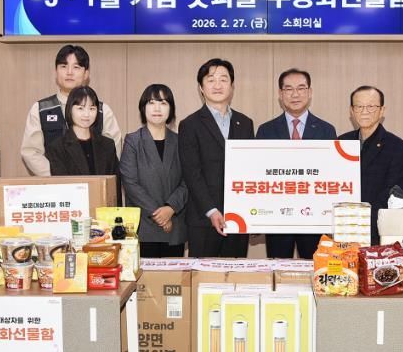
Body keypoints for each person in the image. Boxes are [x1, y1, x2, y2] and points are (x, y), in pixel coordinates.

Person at [256, 68, 337, 259]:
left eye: (301, 88)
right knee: (278, 267)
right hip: (277, 218)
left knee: (314, 267)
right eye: (288, 89)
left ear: (310, 92)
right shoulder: (266, 131)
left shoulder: (326, 131)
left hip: (315, 218)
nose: (295, 94)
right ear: (280, 94)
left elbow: (332, 174)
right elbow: (258, 175)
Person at [178, 58, 254, 258]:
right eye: (211, 80)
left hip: (238, 218)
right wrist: (211, 210)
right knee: (203, 274)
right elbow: (192, 173)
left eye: (223, 79)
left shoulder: (245, 123)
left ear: (232, 86)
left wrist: (252, 211)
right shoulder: (190, 124)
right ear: (201, 88)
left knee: (236, 273)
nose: (217, 85)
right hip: (203, 219)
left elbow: (250, 170)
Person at [21, 44, 122, 176]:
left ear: (86, 74)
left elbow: (113, 153)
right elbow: (31, 152)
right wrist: (60, 178)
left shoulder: (102, 110)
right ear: (56, 71)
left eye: (76, 67)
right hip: (55, 184)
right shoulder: (40, 109)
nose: (69, 72)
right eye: (63, 66)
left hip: (95, 183)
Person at [120, 84, 187, 258]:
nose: (157, 108)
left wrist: (170, 208)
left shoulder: (180, 141)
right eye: (151, 102)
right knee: (144, 275)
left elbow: (188, 180)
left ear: (171, 109)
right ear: (143, 108)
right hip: (144, 225)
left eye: (163, 103)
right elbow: (130, 183)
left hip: (174, 224)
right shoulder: (132, 141)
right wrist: (159, 215)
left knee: (174, 275)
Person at [339, 86, 403, 246]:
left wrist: (361, 218)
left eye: (371, 106)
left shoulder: (397, 147)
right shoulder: (341, 142)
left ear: (382, 110)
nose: (364, 111)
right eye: (359, 106)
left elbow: (393, 191)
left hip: (375, 230)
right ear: (351, 110)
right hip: (342, 226)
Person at [45, 86, 119, 176]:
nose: (87, 114)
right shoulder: (57, 148)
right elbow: (61, 183)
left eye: (92, 108)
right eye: (80, 108)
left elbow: (114, 181)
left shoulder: (108, 145)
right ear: (70, 109)